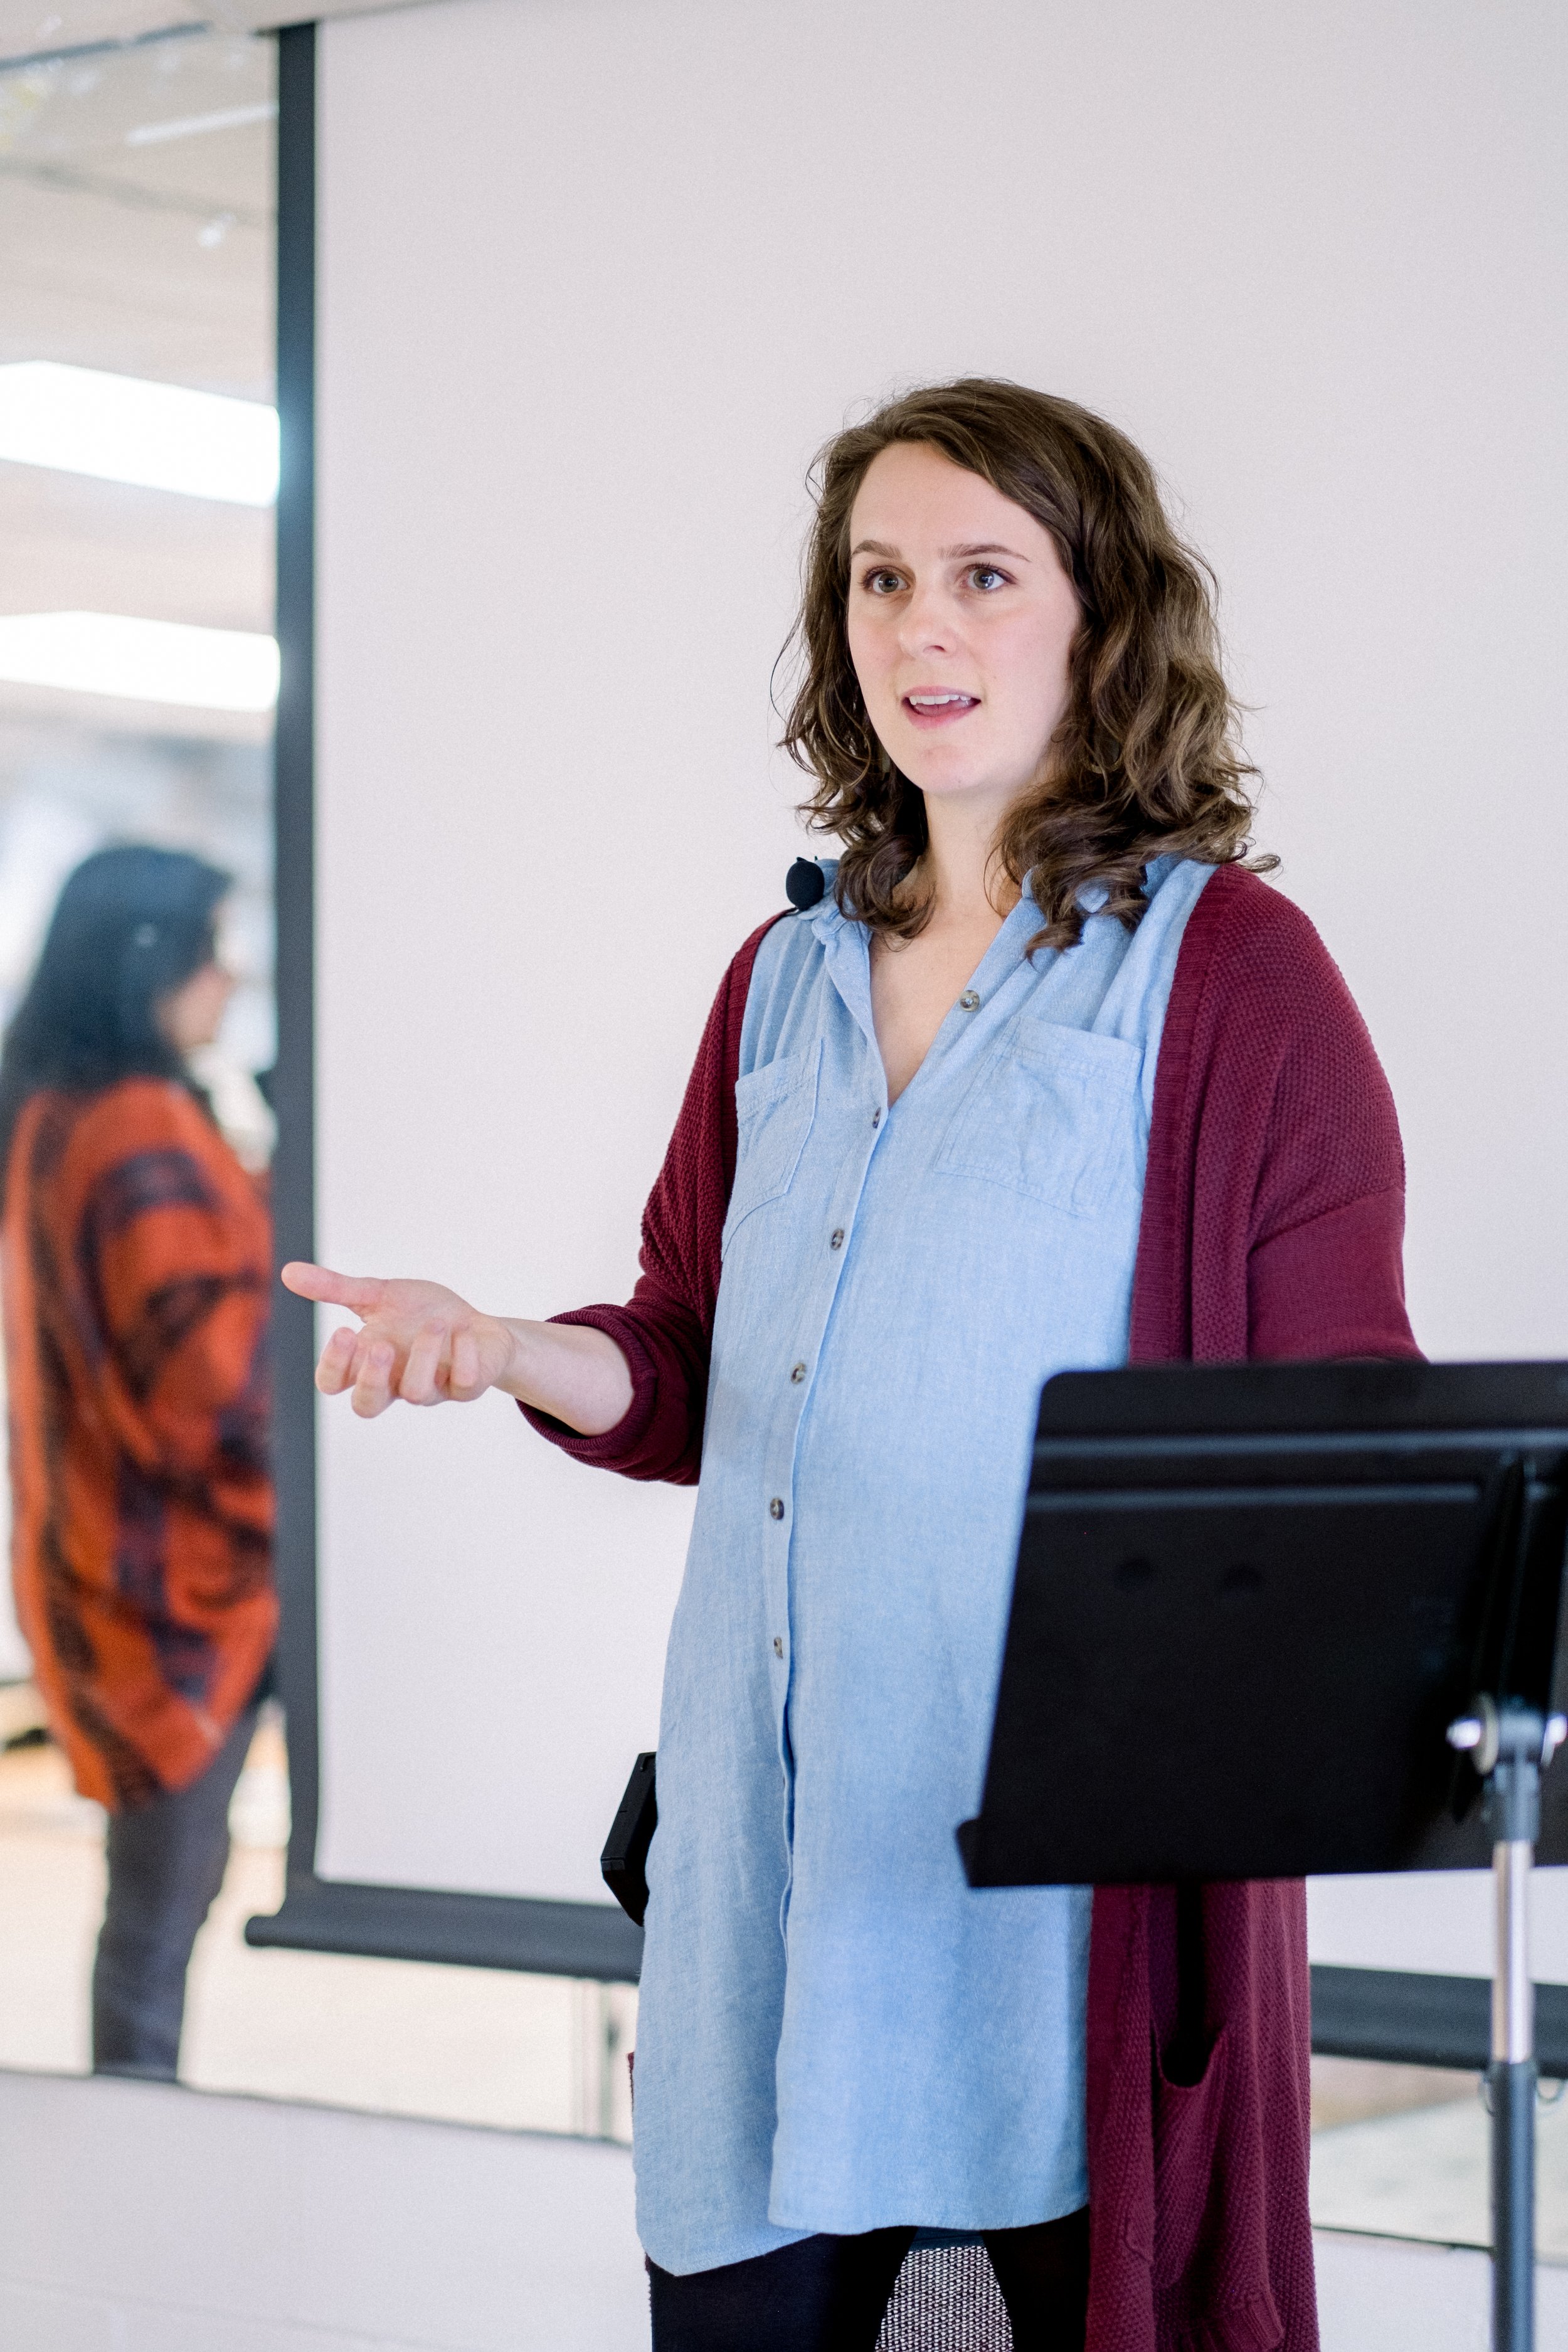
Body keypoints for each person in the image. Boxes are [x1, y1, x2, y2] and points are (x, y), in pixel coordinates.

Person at [286, 380, 1417, 2352]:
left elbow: (1341, 1446)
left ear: (1098, 618)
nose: (919, 625)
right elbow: (686, 1352)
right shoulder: (782, 976)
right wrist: (505, 1349)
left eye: (983, 573)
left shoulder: (1228, 975)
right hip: (767, 1872)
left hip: (1048, 1911)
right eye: (879, 577)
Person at [1, 845, 275, 2082]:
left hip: (104, 1564)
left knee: (150, 1917)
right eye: (215, 949)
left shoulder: (61, 1113)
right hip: (181, 1583)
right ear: (151, 962)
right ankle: (133, 2156)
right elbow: (212, 1384)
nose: (231, 978)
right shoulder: (137, 1127)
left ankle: (132, 2139)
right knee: (159, 1923)